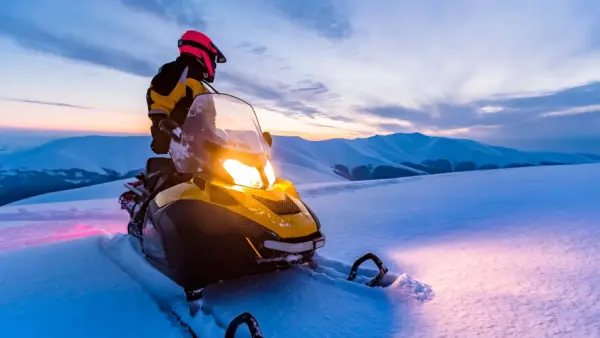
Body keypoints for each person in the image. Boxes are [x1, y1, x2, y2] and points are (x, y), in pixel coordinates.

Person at [146, 29, 226, 154]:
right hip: (183, 156)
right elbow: (159, 104)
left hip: (205, 155)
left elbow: (209, 126)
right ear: (201, 53)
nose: (214, 65)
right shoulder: (174, 72)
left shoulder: (202, 89)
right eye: (212, 59)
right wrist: (162, 131)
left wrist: (234, 144)